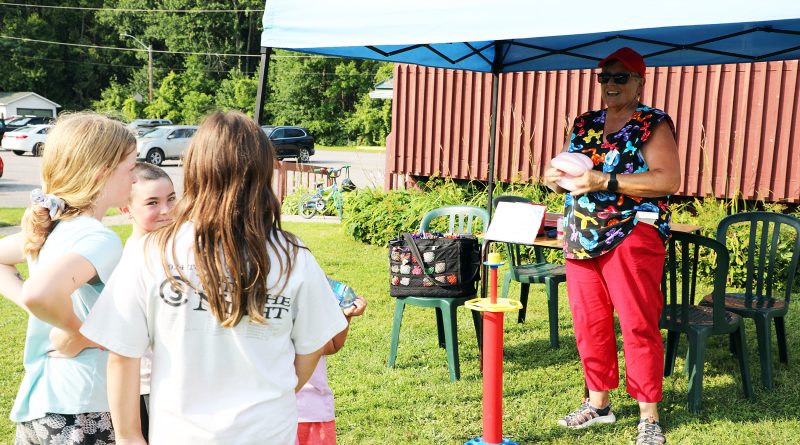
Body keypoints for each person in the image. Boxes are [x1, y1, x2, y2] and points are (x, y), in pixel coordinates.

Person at [80, 111, 348, 444]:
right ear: (263, 172)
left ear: (195, 169)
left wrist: (129, 437)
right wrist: (275, 390)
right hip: (266, 432)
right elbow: (312, 348)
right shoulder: (292, 255)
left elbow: (122, 355)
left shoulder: (151, 251)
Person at [542, 47, 681, 445]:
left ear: (640, 81)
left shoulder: (652, 123)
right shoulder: (585, 123)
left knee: (637, 323)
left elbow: (667, 180)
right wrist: (552, 176)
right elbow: (566, 170)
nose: (611, 84)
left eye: (621, 77)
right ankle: (599, 404)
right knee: (590, 323)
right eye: (605, 76)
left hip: (633, 234)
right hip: (581, 234)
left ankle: (649, 416)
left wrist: (605, 181)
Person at [0, 112, 138, 444]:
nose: (134, 179)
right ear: (103, 173)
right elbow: (40, 294)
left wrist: (43, 313)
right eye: (131, 168)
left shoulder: (54, 229)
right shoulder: (97, 239)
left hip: (42, 404)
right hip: (82, 409)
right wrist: (80, 331)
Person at [120, 161, 177, 442]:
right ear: (126, 208)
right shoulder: (129, 259)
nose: (166, 210)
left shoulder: (179, 251)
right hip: (146, 385)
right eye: (152, 203)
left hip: (179, 382)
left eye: (171, 199)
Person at [296, 293, 366, 445]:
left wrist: (346, 316)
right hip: (268, 414)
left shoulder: (309, 275)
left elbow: (332, 345)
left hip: (310, 411)